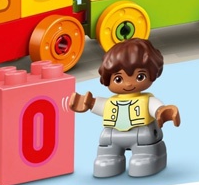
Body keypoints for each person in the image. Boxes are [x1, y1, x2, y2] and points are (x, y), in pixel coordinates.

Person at [69, 38, 179, 177]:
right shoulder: (111, 102)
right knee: (106, 152)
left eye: (140, 76)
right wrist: (88, 103)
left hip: (142, 136)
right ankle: (109, 158)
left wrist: (162, 112)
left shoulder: (147, 100)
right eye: (118, 79)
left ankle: (147, 157)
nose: (128, 84)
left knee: (143, 156)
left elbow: (156, 108)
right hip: (112, 136)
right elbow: (100, 105)